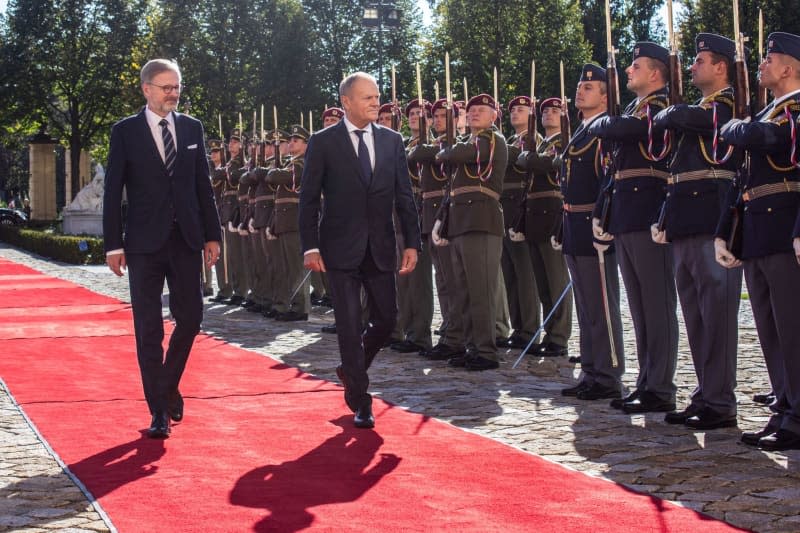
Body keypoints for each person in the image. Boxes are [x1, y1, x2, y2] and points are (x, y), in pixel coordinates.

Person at [103, 58, 221, 438]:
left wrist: (212, 235)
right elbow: (111, 192)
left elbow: (202, 185)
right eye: (166, 87)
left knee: (191, 319)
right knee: (148, 328)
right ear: (146, 89)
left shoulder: (192, 128)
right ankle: (158, 411)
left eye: (177, 86)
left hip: (185, 240)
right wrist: (112, 244)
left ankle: (166, 385)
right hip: (142, 245)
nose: (173, 93)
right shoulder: (125, 132)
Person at [299, 72, 421, 429]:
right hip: (338, 249)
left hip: (381, 247)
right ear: (347, 102)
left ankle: (351, 370)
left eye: (376, 96)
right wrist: (310, 246)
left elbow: (404, 196)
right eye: (367, 97)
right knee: (349, 323)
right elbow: (308, 200)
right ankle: (361, 398)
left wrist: (412, 242)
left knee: (386, 319)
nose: (375, 102)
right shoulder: (323, 143)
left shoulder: (392, 141)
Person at [651, 33, 742, 430]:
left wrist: (671, 113)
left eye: (699, 60)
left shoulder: (729, 105)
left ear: (721, 67)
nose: (691, 67)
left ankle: (720, 401)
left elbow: (700, 122)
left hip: (712, 217)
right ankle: (706, 392)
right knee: (696, 315)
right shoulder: (699, 109)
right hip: (687, 220)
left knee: (717, 314)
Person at [716, 32, 800, 451]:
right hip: (758, 230)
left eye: (769, 59)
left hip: (785, 229)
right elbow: (741, 177)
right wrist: (723, 231)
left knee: (792, 328)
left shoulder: (795, 109)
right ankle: (784, 408)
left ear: (789, 67)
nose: (762, 64)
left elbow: (762, 139)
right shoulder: (768, 111)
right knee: (769, 327)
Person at [589, 42, 679, 414]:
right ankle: (647, 379)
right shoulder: (635, 109)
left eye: (635, 65)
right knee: (640, 306)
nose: (628, 70)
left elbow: (618, 129)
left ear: (656, 73)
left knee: (657, 304)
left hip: (647, 210)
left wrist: (606, 121)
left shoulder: (659, 108)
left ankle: (660, 385)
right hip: (627, 212)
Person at [555, 64, 625, 400]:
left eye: (590, 87)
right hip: (573, 225)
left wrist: (604, 220)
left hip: (593, 225)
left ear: (605, 96)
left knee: (602, 306)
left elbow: (607, 182)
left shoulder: (604, 131)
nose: (580, 91)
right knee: (585, 305)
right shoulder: (583, 130)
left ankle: (608, 375)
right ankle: (592, 370)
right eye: (580, 86)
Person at [434, 94, 509, 371]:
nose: (475, 113)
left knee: (481, 291)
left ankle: (487, 351)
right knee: (463, 290)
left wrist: (446, 152)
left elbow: (458, 155)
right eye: (471, 110)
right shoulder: (468, 141)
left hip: (481, 221)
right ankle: (471, 346)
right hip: (460, 222)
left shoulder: (492, 139)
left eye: (482, 109)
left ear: (494, 115)